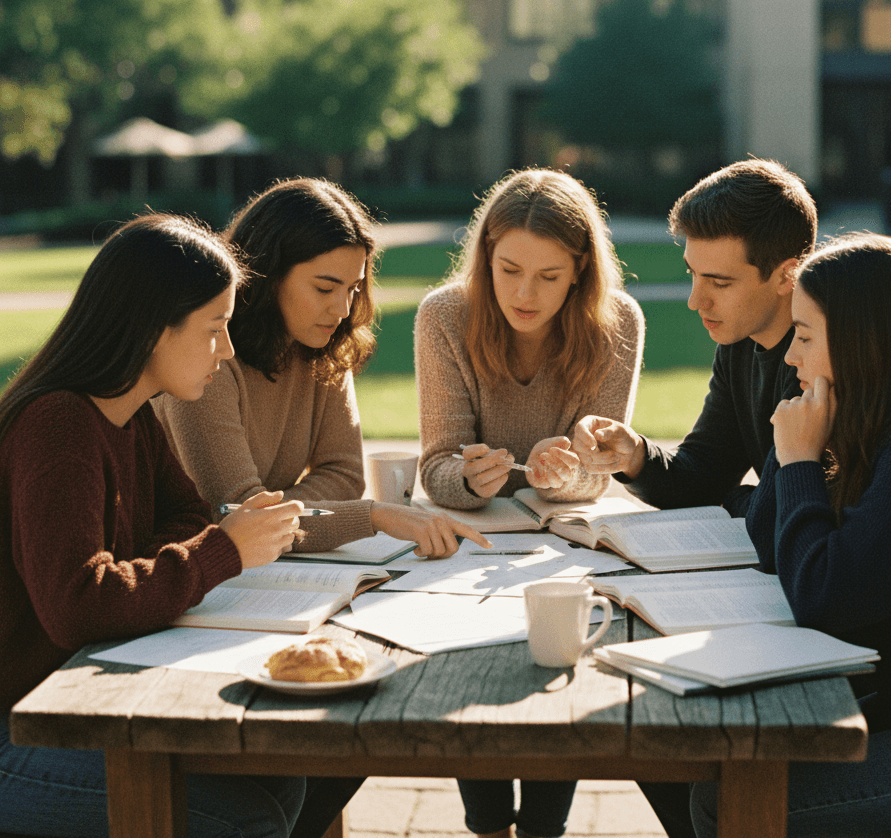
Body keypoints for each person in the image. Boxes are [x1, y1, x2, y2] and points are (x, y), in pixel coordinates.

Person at [0, 213, 345, 838]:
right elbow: (78, 605)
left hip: (81, 695)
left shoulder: (131, 416)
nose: (229, 350)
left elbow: (182, 516)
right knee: (244, 817)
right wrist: (219, 552)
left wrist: (151, 570)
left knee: (286, 774)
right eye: (215, 329)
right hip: (20, 726)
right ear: (154, 329)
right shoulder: (57, 428)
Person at [686, 233, 891, 836]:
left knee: (722, 802)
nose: (791, 357)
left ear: (863, 343)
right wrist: (796, 435)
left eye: (807, 338)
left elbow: (824, 598)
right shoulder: (881, 421)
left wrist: (799, 463)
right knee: (707, 765)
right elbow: (772, 546)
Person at [414, 168, 645, 838]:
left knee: (555, 664)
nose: (524, 293)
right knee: (468, 666)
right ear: (485, 256)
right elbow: (437, 466)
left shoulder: (617, 324)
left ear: (580, 271)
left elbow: (597, 474)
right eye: (509, 269)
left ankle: (545, 828)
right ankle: (486, 825)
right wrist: (471, 479)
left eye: (549, 276)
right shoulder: (445, 316)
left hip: (564, 544)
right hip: (471, 547)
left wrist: (562, 472)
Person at [156, 177, 488, 560]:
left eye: (353, 288)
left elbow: (345, 476)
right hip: (187, 570)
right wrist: (372, 515)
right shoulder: (209, 357)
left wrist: (281, 515)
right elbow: (237, 514)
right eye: (325, 289)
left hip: (260, 570)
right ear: (268, 274)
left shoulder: (322, 345)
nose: (343, 309)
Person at [572, 158, 817, 518]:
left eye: (719, 282)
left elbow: (782, 512)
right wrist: (636, 456)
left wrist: (738, 501)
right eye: (693, 275)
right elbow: (703, 476)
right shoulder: (740, 346)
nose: (694, 301)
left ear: (786, 275)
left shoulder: (825, 358)